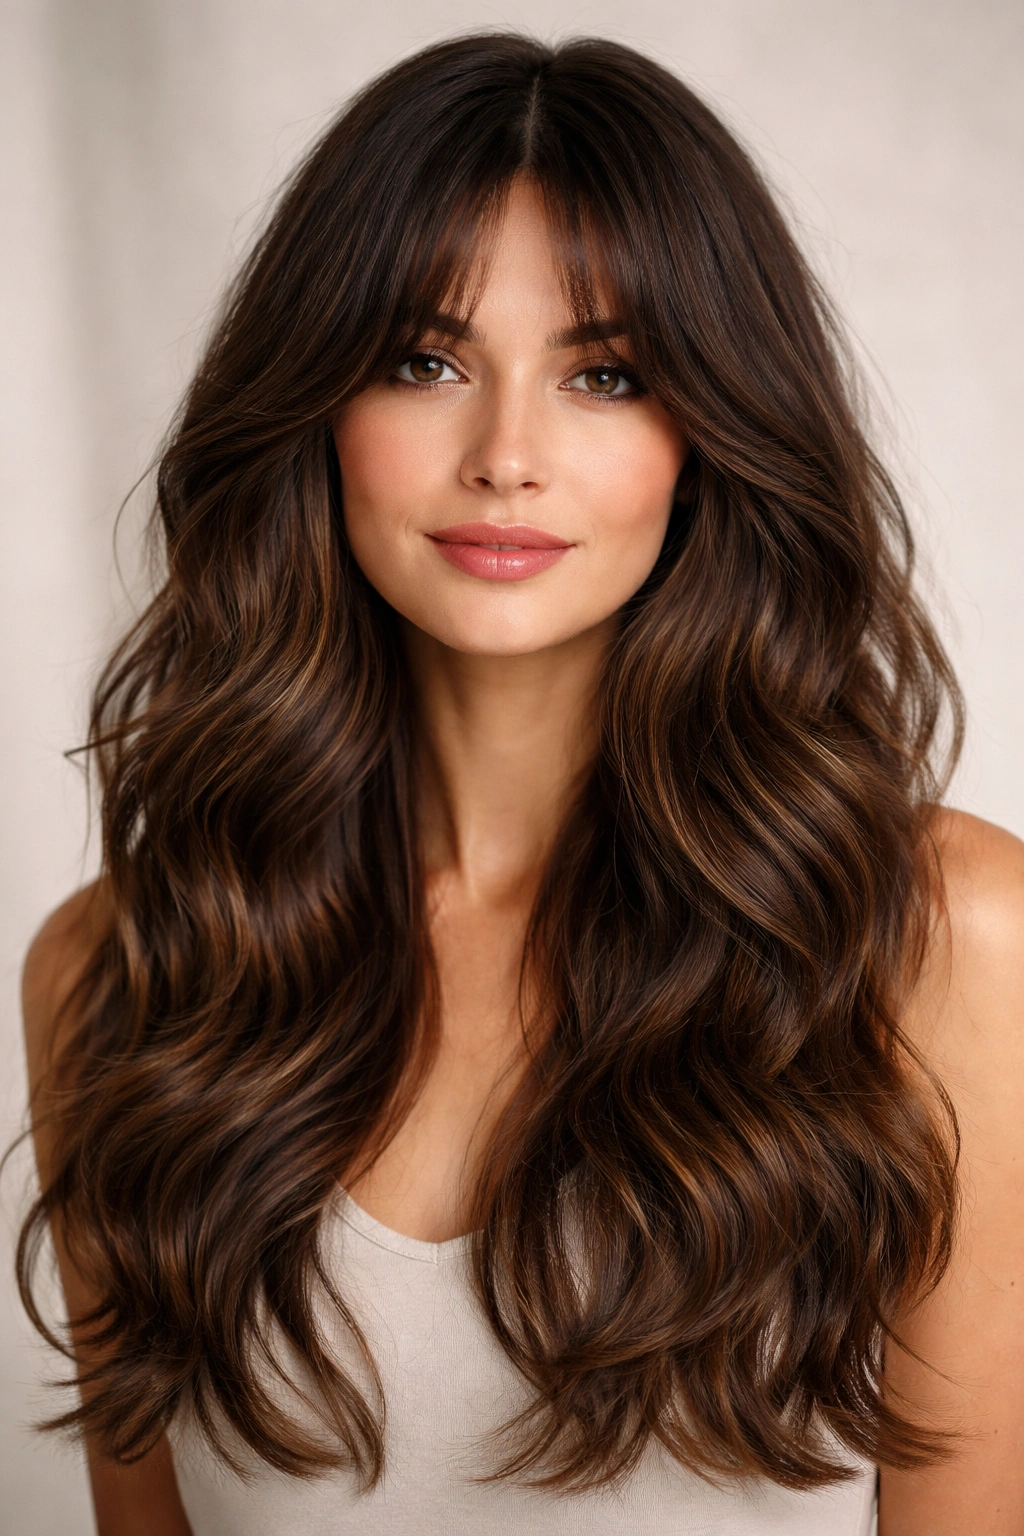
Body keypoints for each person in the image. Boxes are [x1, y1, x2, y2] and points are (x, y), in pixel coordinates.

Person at [18, 32, 1024, 1536]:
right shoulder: (121, 975)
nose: (506, 455)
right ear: (316, 410)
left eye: (606, 374)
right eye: (427, 362)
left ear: (707, 435)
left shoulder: (943, 940)